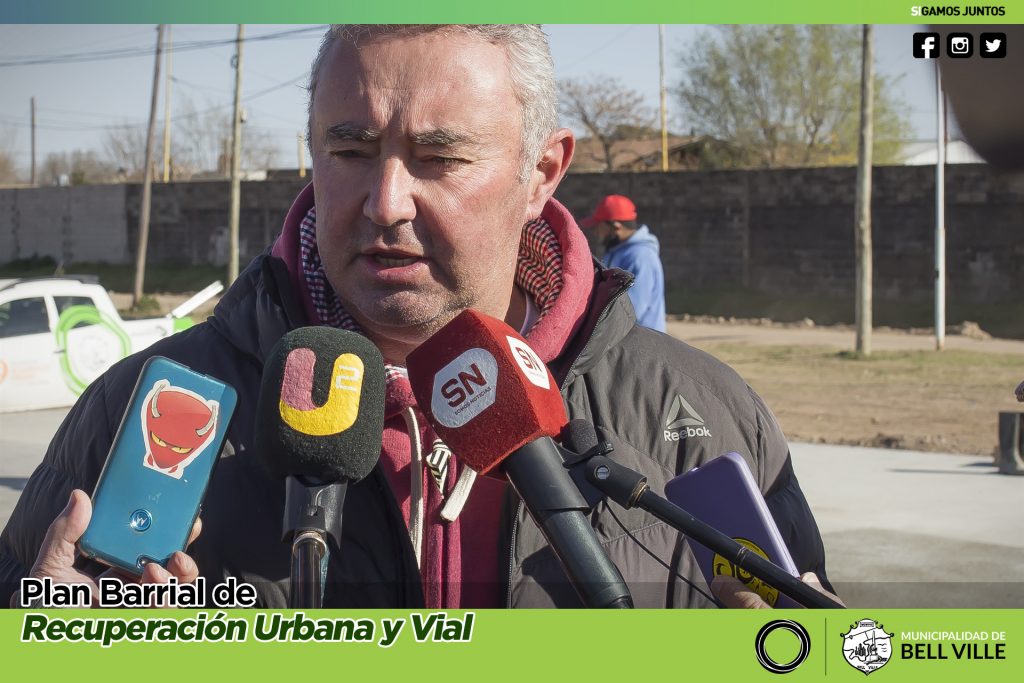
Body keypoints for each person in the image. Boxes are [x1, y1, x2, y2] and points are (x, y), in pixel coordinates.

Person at [0, 24, 832, 609]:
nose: (386, 201)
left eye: (439, 158)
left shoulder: (708, 418)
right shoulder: (139, 407)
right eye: (351, 152)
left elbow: (846, 645)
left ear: (542, 170)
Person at [581, 195, 666, 332]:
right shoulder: (615, 250)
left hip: (642, 344)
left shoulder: (640, 256)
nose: (596, 232)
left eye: (598, 226)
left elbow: (631, 310)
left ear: (616, 226)